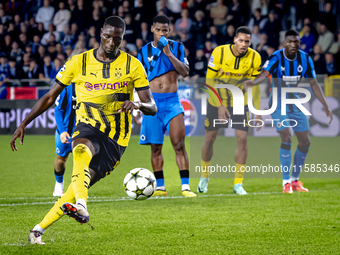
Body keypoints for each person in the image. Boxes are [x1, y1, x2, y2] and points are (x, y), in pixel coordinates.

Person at [10, 16, 157, 245]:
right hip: (87, 125)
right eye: (107, 36)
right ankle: (82, 207)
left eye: (116, 39)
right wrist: (23, 123)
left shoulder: (133, 65)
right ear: (101, 33)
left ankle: (37, 231)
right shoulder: (78, 62)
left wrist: (137, 104)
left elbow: (152, 107)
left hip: (116, 139)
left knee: (77, 186)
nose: (111, 42)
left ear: (122, 39)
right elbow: (50, 96)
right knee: (79, 152)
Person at [243, 30, 333, 193]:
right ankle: (286, 182)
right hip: (277, 102)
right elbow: (264, 73)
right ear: (284, 43)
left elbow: (313, 83)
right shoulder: (276, 57)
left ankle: (295, 180)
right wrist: (254, 83)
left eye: (296, 42)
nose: (293, 45)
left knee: (305, 142)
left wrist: (325, 106)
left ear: (299, 43)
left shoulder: (305, 59)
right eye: (290, 42)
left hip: (295, 102)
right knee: (286, 134)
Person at [197, 26, 262, 195]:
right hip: (216, 99)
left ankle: (238, 183)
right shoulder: (219, 52)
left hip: (240, 101)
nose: (244, 44)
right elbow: (209, 80)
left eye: (247, 41)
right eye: (241, 40)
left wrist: (259, 111)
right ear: (234, 39)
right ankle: (204, 177)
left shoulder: (255, 57)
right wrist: (219, 105)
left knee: (242, 139)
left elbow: (255, 86)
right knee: (210, 138)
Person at [137, 15, 196, 197]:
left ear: (169, 31)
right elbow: (138, 79)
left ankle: (185, 187)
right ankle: (160, 187)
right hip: (152, 103)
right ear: (152, 30)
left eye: (165, 30)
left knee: (179, 145)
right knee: (155, 147)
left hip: (172, 102)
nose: (162, 33)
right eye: (159, 30)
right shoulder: (143, 51)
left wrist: (169, 53)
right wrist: (140, 104)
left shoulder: (177, 47)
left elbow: (185, 72)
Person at [52, 83, 76, 197]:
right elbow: (58, 109)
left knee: (81, 161)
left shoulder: (91, 83)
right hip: (66, 131)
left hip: (83, 132)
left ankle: (78, 187)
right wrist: (62, 131)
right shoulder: (67, 86)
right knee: (61, 159)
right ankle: (59, 183)